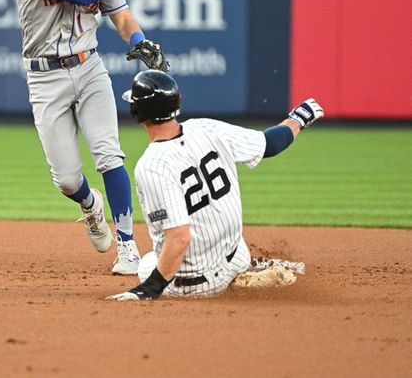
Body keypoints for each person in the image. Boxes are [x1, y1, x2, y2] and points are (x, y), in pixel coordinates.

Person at [13, 0, 174, 275]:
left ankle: (128, 245)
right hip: (44, 75)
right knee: (67, 179)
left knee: (109, 154)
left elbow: (120, 15)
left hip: (89, 68)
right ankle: (89, 206)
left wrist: (138, 41)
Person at [107, 70, 323, 300]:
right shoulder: (205, 128)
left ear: (137, 111)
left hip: (193, 285)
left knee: (148, 263)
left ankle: (230, 284)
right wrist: (299, 118)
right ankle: (242, 273)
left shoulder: (151, 165)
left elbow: (180, 237)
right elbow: (270, 144)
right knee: (222, 241)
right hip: (236, 256)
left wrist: (147, 290)